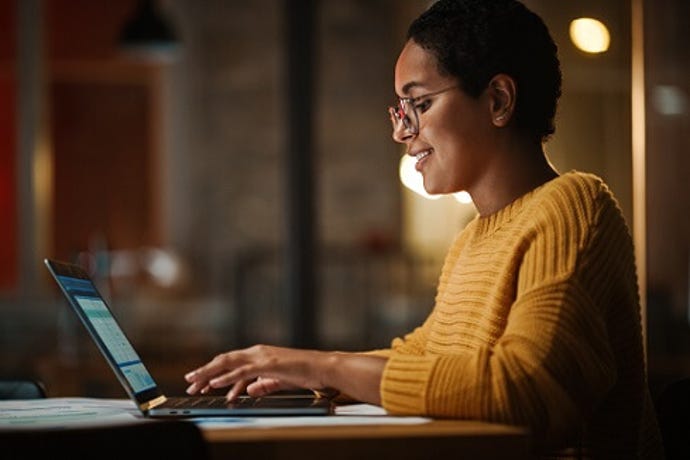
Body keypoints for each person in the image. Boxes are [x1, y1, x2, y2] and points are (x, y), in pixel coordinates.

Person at [184, 0, 664, 457]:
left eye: (420, 104)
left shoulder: (574, 206)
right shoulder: (473, 238)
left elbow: (524, 390)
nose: (401, 131)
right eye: (400, 109)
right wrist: (304, 371)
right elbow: (423, 357)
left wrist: (321, 366)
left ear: (498, 99)